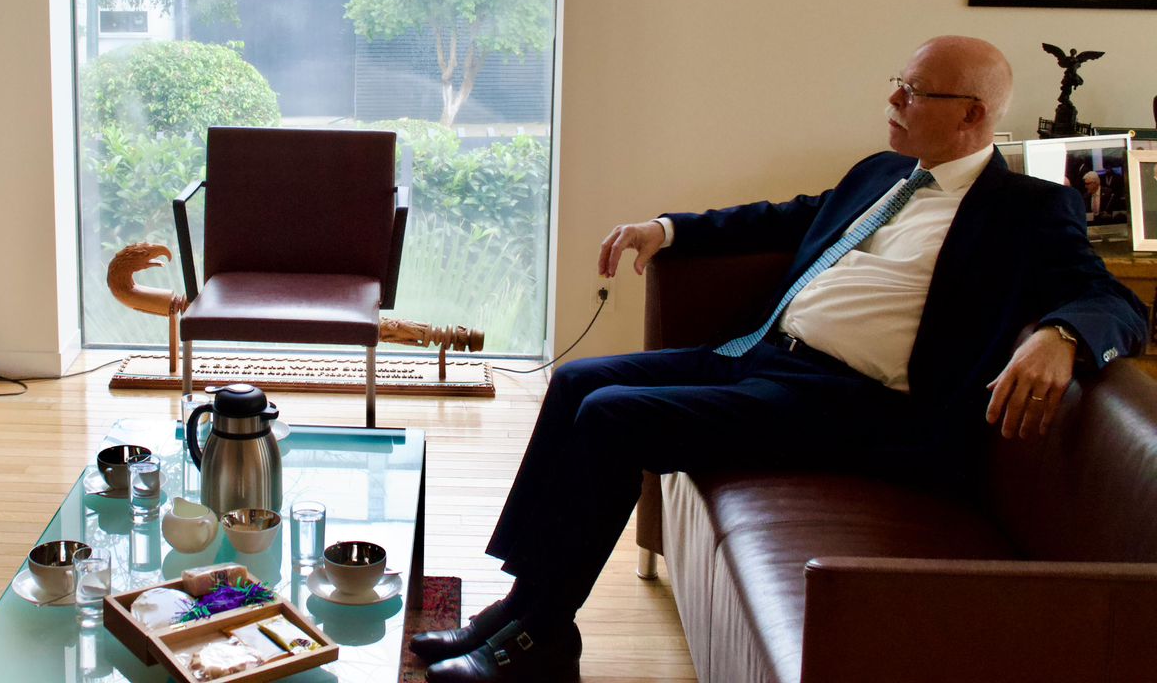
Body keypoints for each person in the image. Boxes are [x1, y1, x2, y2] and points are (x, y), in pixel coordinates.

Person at [410, 36, 1146, 683]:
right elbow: (786, 217)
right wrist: (668, 230)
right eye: (898, 82)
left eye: (915, 92)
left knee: (612, 418)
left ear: (972, 115)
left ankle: (539, 635)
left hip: (860, 407)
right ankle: (526, 606)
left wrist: (1062, 335)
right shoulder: (882, 172)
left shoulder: (1027, 211)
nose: (893, 100)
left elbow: (1116, 302)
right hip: (765, 358)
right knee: (576, 379)